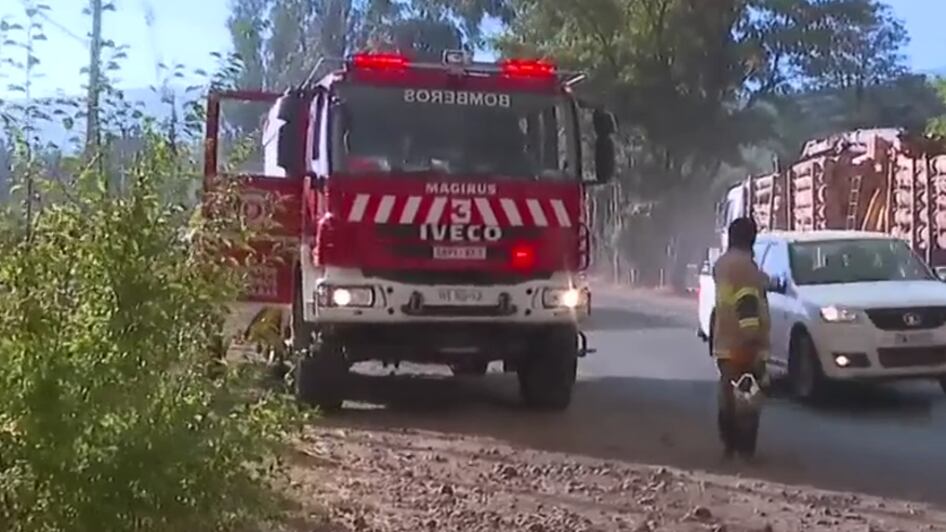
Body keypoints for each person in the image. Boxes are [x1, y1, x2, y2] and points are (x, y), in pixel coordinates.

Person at [711, 217, 771, 460]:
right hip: (744, 344)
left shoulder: (721, 264)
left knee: (727, 394)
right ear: (752, 238)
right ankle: (744, 450)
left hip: (723, 342)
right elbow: (746, 303)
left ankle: (728, 446)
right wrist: (752, 340)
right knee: (748, 398)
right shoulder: (746, 268)